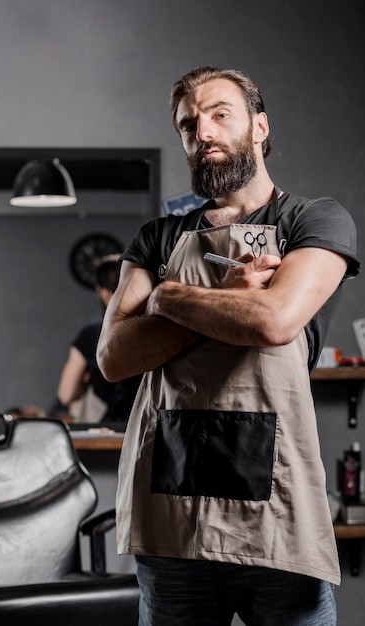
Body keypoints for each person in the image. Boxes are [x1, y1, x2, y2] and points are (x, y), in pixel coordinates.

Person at [97, 66, 360, 625]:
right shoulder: (158, 237)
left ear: (260, 127)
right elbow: (115, 357)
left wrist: (167, 299)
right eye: (189, 125)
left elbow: (274, 320)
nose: (204, 132)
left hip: (274, 503)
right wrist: (222, 296)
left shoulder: (314, 220)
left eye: (220, 114)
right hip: (170, 502)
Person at [53, 256, 141, 424]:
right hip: (143, 427)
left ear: (104, 292)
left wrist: (86, 381)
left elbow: (66, 394)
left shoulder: (91, 335)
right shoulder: (150, 331)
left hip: (104, 429)